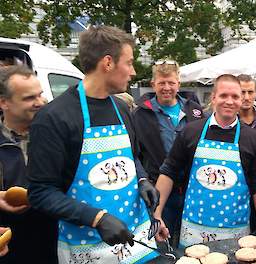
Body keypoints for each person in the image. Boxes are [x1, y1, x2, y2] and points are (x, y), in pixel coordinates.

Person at [27, 26, 159, 263]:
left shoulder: (121, 109)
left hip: (136, 241)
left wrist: (142, 179)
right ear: (108, 62)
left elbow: (132, 157)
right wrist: (97, 218)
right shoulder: (54, 118)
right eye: (129, 63)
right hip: (85, 246)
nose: (133, 71)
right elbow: (41, 192)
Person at [154, 74, 256, 247]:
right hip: (193, 231)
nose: (229, 101)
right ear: (213, 98)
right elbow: (168, 173)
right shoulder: (191, 131)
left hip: (235, 232)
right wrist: (157, 215)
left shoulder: (252, 138)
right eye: (224, 95)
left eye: (235, 97)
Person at [133, 59, 204, 246]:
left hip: (191, 190)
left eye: (171, 82)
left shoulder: (195, 111)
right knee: (162, 241)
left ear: (178, 84)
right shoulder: (139, 114)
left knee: (193, 242)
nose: (166, 87)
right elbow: (135, 154)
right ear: (153, 84)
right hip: (158, 191)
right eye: (161, 83)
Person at [0, 65, 55, 263]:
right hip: (11, 249)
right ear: (4, 102)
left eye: (40, 95)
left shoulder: (56, 134)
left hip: (56, 243)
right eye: (29, 98)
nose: (40, 102)